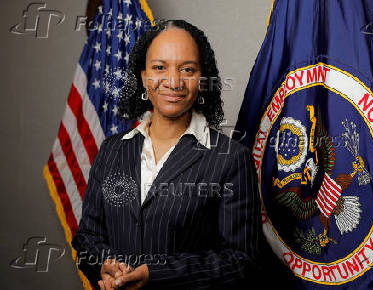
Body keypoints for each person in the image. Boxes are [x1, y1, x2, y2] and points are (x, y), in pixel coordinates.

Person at [72, 19, 263, 289]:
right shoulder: (112, 150)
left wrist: (155, 274)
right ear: (143, 77)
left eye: (187, 69)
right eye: (159, 67)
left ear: (202, 79)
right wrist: (105, 265)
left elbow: (241, 260)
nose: (173, 81)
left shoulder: (230, 158)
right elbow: (87, 236)